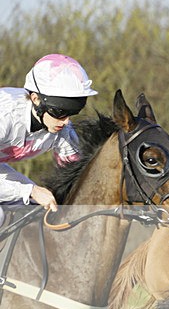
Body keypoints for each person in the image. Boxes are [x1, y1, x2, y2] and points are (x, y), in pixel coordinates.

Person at [0, 54, 98, 220]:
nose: (66, 122)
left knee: (35, 210)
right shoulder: (5, 117)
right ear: (36, 99)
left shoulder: (64, 131)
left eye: (72, 113)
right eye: (59, 113)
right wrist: (30, 190)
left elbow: (75, 177)